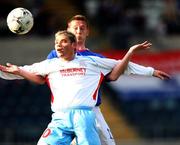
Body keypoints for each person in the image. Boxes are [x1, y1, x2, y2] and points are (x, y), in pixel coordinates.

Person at [0, 30, 152, 145]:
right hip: (60, 117)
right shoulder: (49, 65)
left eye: (63, 41)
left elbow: (121, 65)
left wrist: (150, 71)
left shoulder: (91, 61)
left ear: (73, 45)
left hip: (84, 116)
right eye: (56, 43)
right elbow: (23, 70)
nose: (58, 45)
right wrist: (14, 71)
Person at [45, 15, 170, 145]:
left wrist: (150, 71)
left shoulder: (95, 58)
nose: (78, 31)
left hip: (90, 110)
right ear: (68, 30)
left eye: (82, 28)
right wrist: (21, 72)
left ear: (87, 32)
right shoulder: (55, 55)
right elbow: (40, 71)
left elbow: (114, 72)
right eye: (75, 28)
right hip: (65, 112)